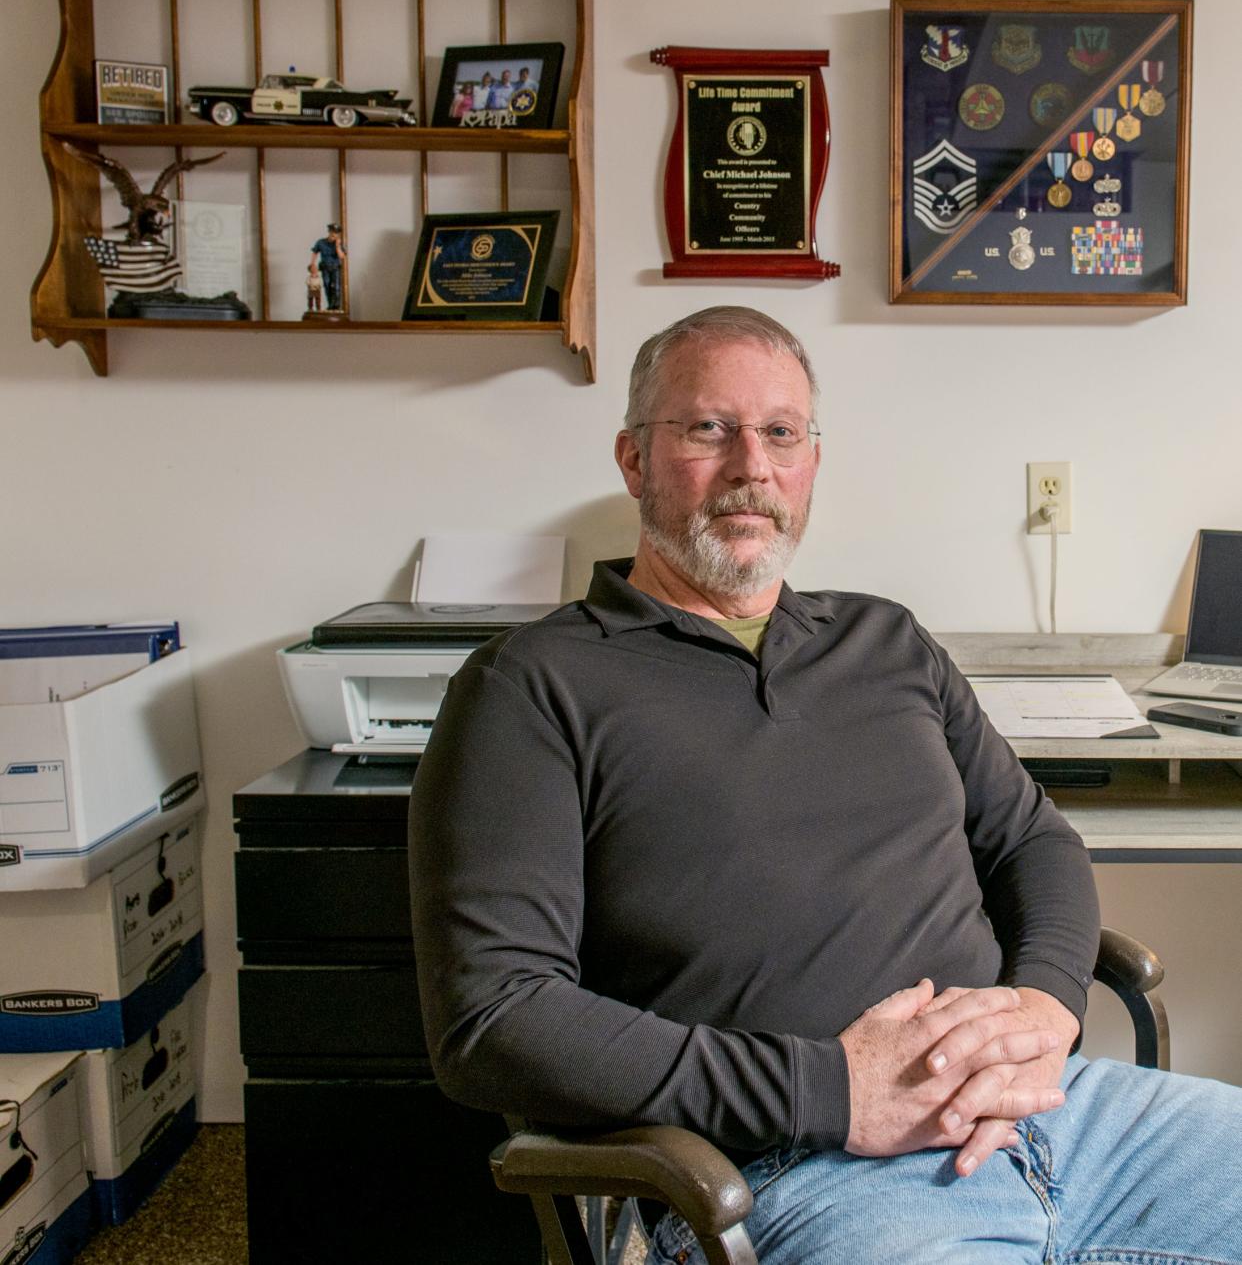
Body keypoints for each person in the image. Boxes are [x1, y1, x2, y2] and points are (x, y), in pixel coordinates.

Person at [409, 306, 1242, 1264]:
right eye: (707, 428)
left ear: (811, 460)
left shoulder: (885, 641)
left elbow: (1033, 842)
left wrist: (1047, 1006)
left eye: (781, 433)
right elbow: (495, 1017)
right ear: (634, 459)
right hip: (791, 1169)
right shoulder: (528, 687)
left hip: (1065, 1115)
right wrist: (832, 1092)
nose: (750, 467)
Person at [309, 223, 346, 312]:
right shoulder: (321, 242)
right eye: (332, 232)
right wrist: (312, 263)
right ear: (329, 232)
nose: (334, 234)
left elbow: (342, 256)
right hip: (325, 268)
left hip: (335, 268)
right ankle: (330, 305)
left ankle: (336, 305)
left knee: (336, 286)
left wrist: (337, 246)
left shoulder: (340, 243)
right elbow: (315, 252)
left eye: (336, 233)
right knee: (327, 285)